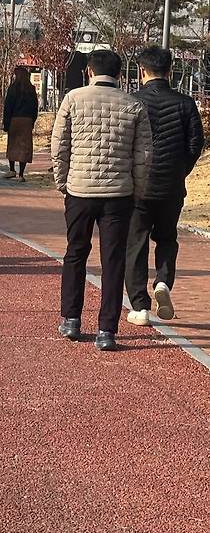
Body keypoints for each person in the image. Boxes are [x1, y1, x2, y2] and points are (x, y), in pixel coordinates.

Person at [51, 49, 152, 351]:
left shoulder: (72, 99)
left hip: (79, 190)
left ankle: (71, 319)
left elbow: (59, 146)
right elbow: (144, 156)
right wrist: (138, 189)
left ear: (89, 72)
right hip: (119, 193)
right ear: (120, 75)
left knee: (75, 253)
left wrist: (62, 182)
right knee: (113, 260)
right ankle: (106, 330)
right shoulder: (134, 105)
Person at [124, 46, 204, 326]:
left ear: (142, 70)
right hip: (171, 185)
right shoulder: (185, 103)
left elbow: (125, 143)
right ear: (170, 70)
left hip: (138, 186)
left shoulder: (132, 101)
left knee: (135, 243)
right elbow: (196, 142)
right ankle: (163, 283)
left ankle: (140, 306)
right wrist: (180, 169)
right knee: (167, 238)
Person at [3, 66, 39, 182]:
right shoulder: (31, 89)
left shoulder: (13, 88)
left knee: (13, 144)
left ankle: (12, 169)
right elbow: (35, 107)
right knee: (25, 146)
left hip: (14, 119)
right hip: (27, 120)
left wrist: (6, 122)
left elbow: (8, 106)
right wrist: (33, 120)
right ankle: (21, 174)